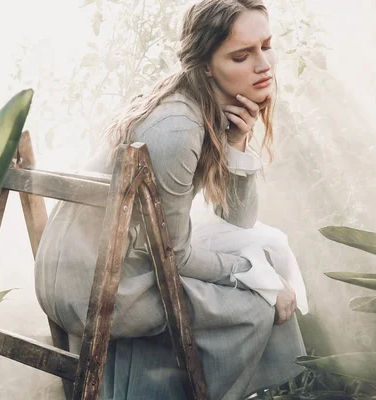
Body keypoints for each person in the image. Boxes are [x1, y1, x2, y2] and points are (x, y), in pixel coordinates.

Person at [34, 0, 307, 398]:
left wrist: (236, 144)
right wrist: (258, 278)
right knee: (258, 304)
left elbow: (237, 220)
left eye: (266, 45)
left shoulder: (195, 103)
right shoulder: (178, 126)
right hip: (101, 290)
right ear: (206, 64)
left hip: (102, 270)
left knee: (262, 251)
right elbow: (176, 259)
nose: (264, 65)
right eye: (241, 55)